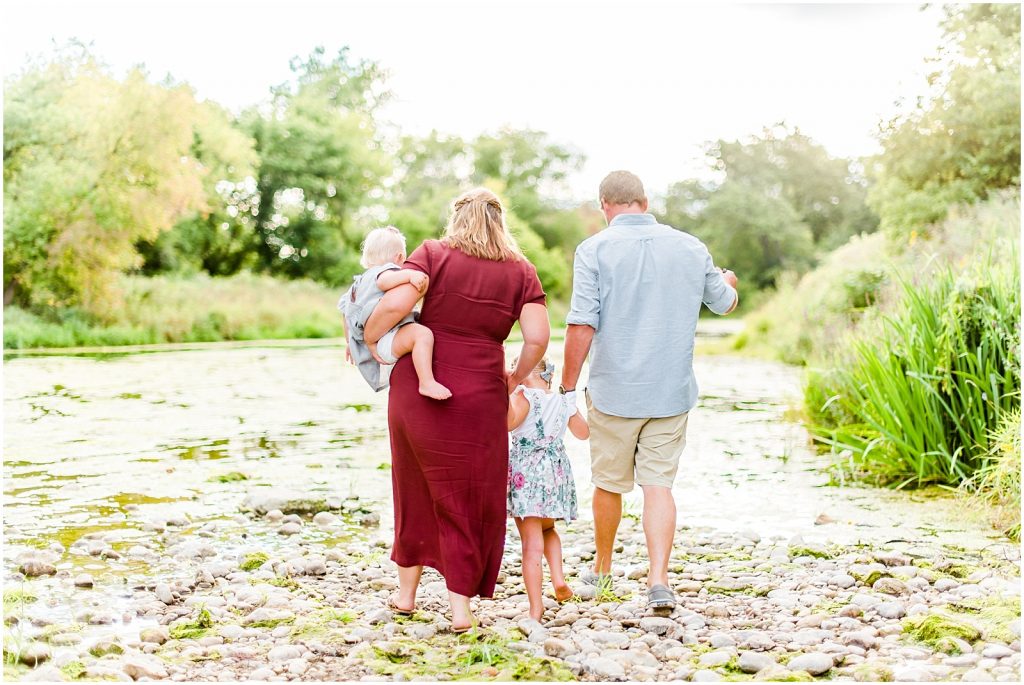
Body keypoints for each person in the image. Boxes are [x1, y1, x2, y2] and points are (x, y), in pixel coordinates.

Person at [361, 188, 550, 632]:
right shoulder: (522, 272)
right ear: (501, 222)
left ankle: (406, 595)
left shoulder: (432, 254)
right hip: (482, 392)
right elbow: (537, 338)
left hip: (419, 389)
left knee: (413, 488)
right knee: (468, 495)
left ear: (457, 218)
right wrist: (516, 375)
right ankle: (460, 609)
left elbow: (395, 304)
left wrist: (369, 340)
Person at [560, 170, 739, 614]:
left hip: (614, 390)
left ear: (605, 205)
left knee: (608, 483)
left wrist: (565, 387)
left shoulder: (594, 249)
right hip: (670, 392)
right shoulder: (690, 246)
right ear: (645, 200)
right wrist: (729, 282)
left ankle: (602, 570)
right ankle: (658, 581)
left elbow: (582, 323)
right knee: (658, 485)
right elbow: (723, 303)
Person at [506, 355, 588, 621]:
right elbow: (583, 433)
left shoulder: (524, 396)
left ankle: (535, 608)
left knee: (531, 543)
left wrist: (505, 394)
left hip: (527, 474)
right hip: (555, 474)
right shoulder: (562, 401)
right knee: (548, 528)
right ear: (549, 376)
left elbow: (508, 423)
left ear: (524, 373)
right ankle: (559, 580)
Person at [338, 226, 452, 400]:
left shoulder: (358, 284)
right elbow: (385, 281)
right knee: (422, 335)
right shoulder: (384, 273)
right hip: (384, 340)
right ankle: (426, 382)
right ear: (399, 258)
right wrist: (410, 275)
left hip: (376, 341)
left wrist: (349, 343)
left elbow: (345, 314)